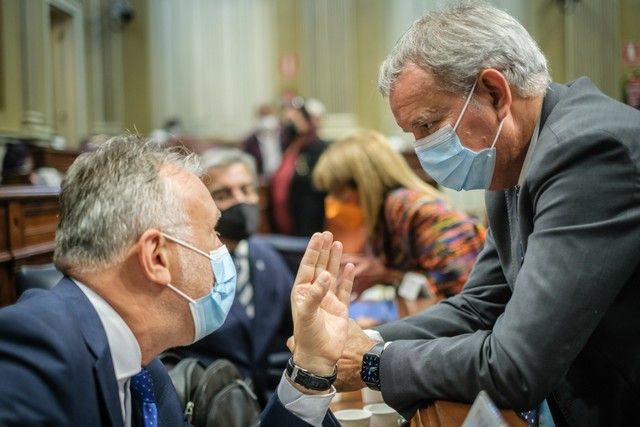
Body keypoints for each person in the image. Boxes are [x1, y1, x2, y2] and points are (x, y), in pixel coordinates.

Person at [333, 4, 640, 426]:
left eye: (428, 125)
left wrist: (374, 363)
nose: (421, 151)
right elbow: (479, 307)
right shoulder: (511, 157)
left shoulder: (587, 152)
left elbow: (516, 365)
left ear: (494, 93)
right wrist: (359, 339)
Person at [0, 135, 355, 426]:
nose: (222, 249)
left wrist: (309, 369)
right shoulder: (32, 350)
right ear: (156, 257)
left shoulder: (145, 369)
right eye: (211, 231)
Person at [175, 148, 294, 407]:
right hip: (208, 406)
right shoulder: (183, 266)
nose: (240, 201)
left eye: (246, 190)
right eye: (224, 194)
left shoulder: (268, 258)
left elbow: (289, 332)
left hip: (269, 403)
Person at [313, 129, 485, 300]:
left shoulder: (418, 212)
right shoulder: (385, 220)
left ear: (364, 185)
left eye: (339, 192)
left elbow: (462, 295)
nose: (333, 201)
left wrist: (387, 276)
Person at [271, 96, 328, 236]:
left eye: (298, 116)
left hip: (308, 226)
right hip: (286, 224)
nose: (293, 120)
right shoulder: (290, 147)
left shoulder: (318, 147)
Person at [243, 104, 283, 177]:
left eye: (268, 114)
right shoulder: (251, 141)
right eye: (263, 114)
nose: (266, 118)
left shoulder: (283, 136)